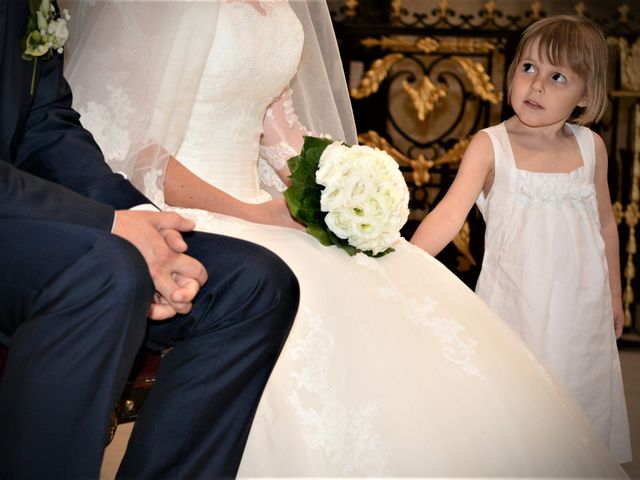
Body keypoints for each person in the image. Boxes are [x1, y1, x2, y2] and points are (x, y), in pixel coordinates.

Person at [66, 1, 628, 477]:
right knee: (307, 297)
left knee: (385, 276)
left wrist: (339, 188)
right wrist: (252, 211)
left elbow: (280, 133)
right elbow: (134, 151)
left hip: (268, 205)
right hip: (184, 209)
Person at [0, 0, 300, 478]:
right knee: (108, 270)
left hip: (29, 210)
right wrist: (110, 226)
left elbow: (46, 128)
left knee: (256, 282)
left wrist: (140, 217)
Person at [411, 15, 631, 463]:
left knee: (574, 403)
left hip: (580, 309)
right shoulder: (491, 145)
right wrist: (404, 260)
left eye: (558, 77)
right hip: (515, 304)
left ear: (585, 95)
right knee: (514, 406)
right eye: (528, 68)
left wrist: (614, 294)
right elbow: (450, 213)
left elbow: (605, 224)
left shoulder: (592, 148)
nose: (537, 86)